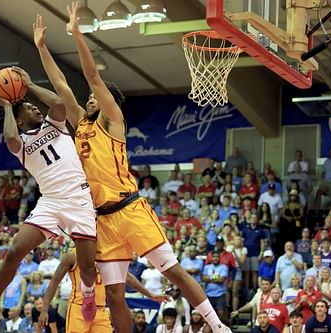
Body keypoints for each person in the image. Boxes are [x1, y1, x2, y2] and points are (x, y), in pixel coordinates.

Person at [33, 8, 230, 333]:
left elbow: (92, 78)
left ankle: (217, 325)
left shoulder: (113, 121)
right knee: (114, 296)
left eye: (95, 97)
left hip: (130, 209)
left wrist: (77, 35)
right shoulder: (81, 123)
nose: (90, 99)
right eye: (90, 99)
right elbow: (62, 87)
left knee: (173, 271)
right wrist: (41, 48)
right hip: (102, 220)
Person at [0, 68, 98, 329]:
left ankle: (88, 293)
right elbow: (9, 137)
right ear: (19, 120)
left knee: (87, 268)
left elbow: (58, 103)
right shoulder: (20, 143)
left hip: (79, 197)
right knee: (16, 250)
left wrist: (28, 85)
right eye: (29, 108)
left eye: (33, 106)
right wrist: (8, 106)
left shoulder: (55, 124)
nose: (35, 109)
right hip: (50, 201)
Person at [38, 248, 168, 333]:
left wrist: (150, 295)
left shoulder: (106, 256)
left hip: (100, 309)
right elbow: (54, 281)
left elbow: (127, 277)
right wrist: (44, 309)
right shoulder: (72, 256)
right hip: (78, 307)